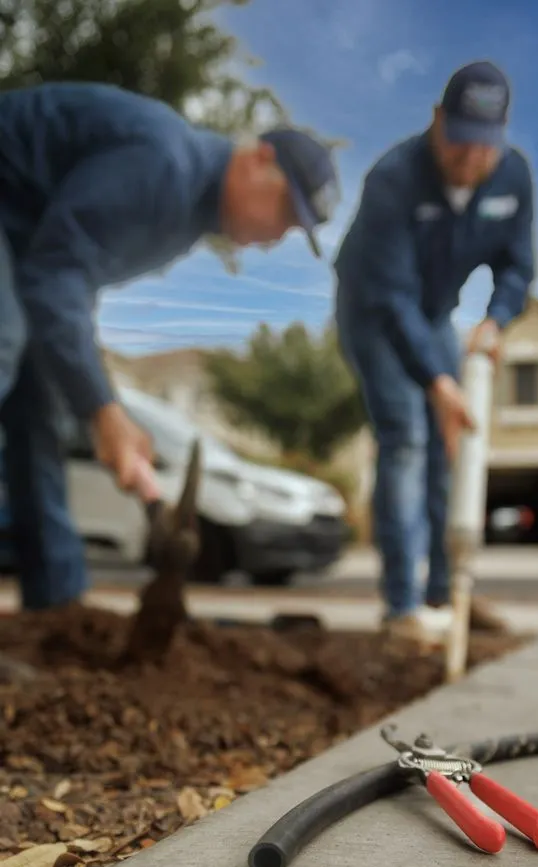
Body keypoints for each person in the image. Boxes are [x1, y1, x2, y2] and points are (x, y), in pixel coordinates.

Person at [0, 81, 341, 611]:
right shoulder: (166, 168)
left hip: (26, 248)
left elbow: (68, 284)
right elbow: (56, 277)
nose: (277, 236)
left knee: (42, 408)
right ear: (258, 159)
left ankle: (58, 612)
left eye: (293, 230)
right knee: (4, 342)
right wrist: (105, 410)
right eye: (284, 211)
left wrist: (98, 403)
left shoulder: (187, 220)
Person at [333, 60, 536, 645]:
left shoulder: (513, 177)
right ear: (437, 119)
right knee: (407, 439)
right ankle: (401, 608)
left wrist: (495, 322)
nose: (471, 159)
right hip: (374, 311)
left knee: (452, 447)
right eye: (461, 141)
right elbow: (393, 298)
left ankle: (448, 596)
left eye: (485, 146)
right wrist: (438, 382)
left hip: (435, 315)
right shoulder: (393, 178)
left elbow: (518, 267)